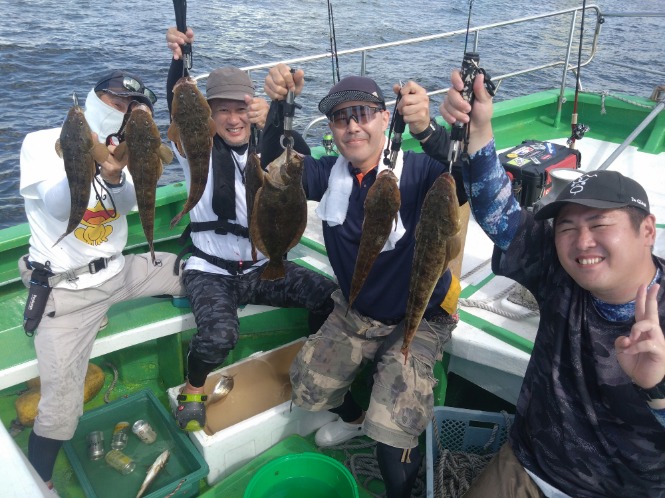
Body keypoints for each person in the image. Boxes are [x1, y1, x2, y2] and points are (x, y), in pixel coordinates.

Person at [438, 70, 665, 497]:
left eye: (600, 224)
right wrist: (480, 128)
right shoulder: (560, 268)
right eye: (567, 227)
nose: (582, 241)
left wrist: (657, 389)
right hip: (528, 464)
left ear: (647, 230)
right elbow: (499, 213)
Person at [262, 64, 465, 498]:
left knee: (393, 431)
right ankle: (354, 419)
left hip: (422, 315)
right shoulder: (327, 175)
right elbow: (277, 168)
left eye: (363, 114)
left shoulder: (421, 171)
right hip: (358, 309)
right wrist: (281, 106)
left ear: (385, 118)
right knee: (307, 388)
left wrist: (428, 131)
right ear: (333, 131)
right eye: (341, 118)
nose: (352, 126)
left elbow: (466, 178)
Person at [18, 69, 185, 493]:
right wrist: (87, 157)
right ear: (93, 98)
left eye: (132, 107)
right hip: (68, 291)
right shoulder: (42, 142)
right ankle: (40, 481)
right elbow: (59, 207)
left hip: (120, 271)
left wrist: (114, 175)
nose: (123, 110)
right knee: (60, 405)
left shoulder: (122, 152)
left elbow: (127, 203)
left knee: (194, 273)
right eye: (116, 101)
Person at [166, 28, 338, 432]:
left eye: (241, 108)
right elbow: (180, 110)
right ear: (208, 115)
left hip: (264, 266)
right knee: (219, 336)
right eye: (221, 110)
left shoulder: (270, 147)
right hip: (211, 270)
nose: (233, 118)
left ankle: (310, 366)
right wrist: (178, 63)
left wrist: (279, 109)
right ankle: (193, 388)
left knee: (331, 299)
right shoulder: (195, 147)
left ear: (253, 109)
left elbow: (296, 159)